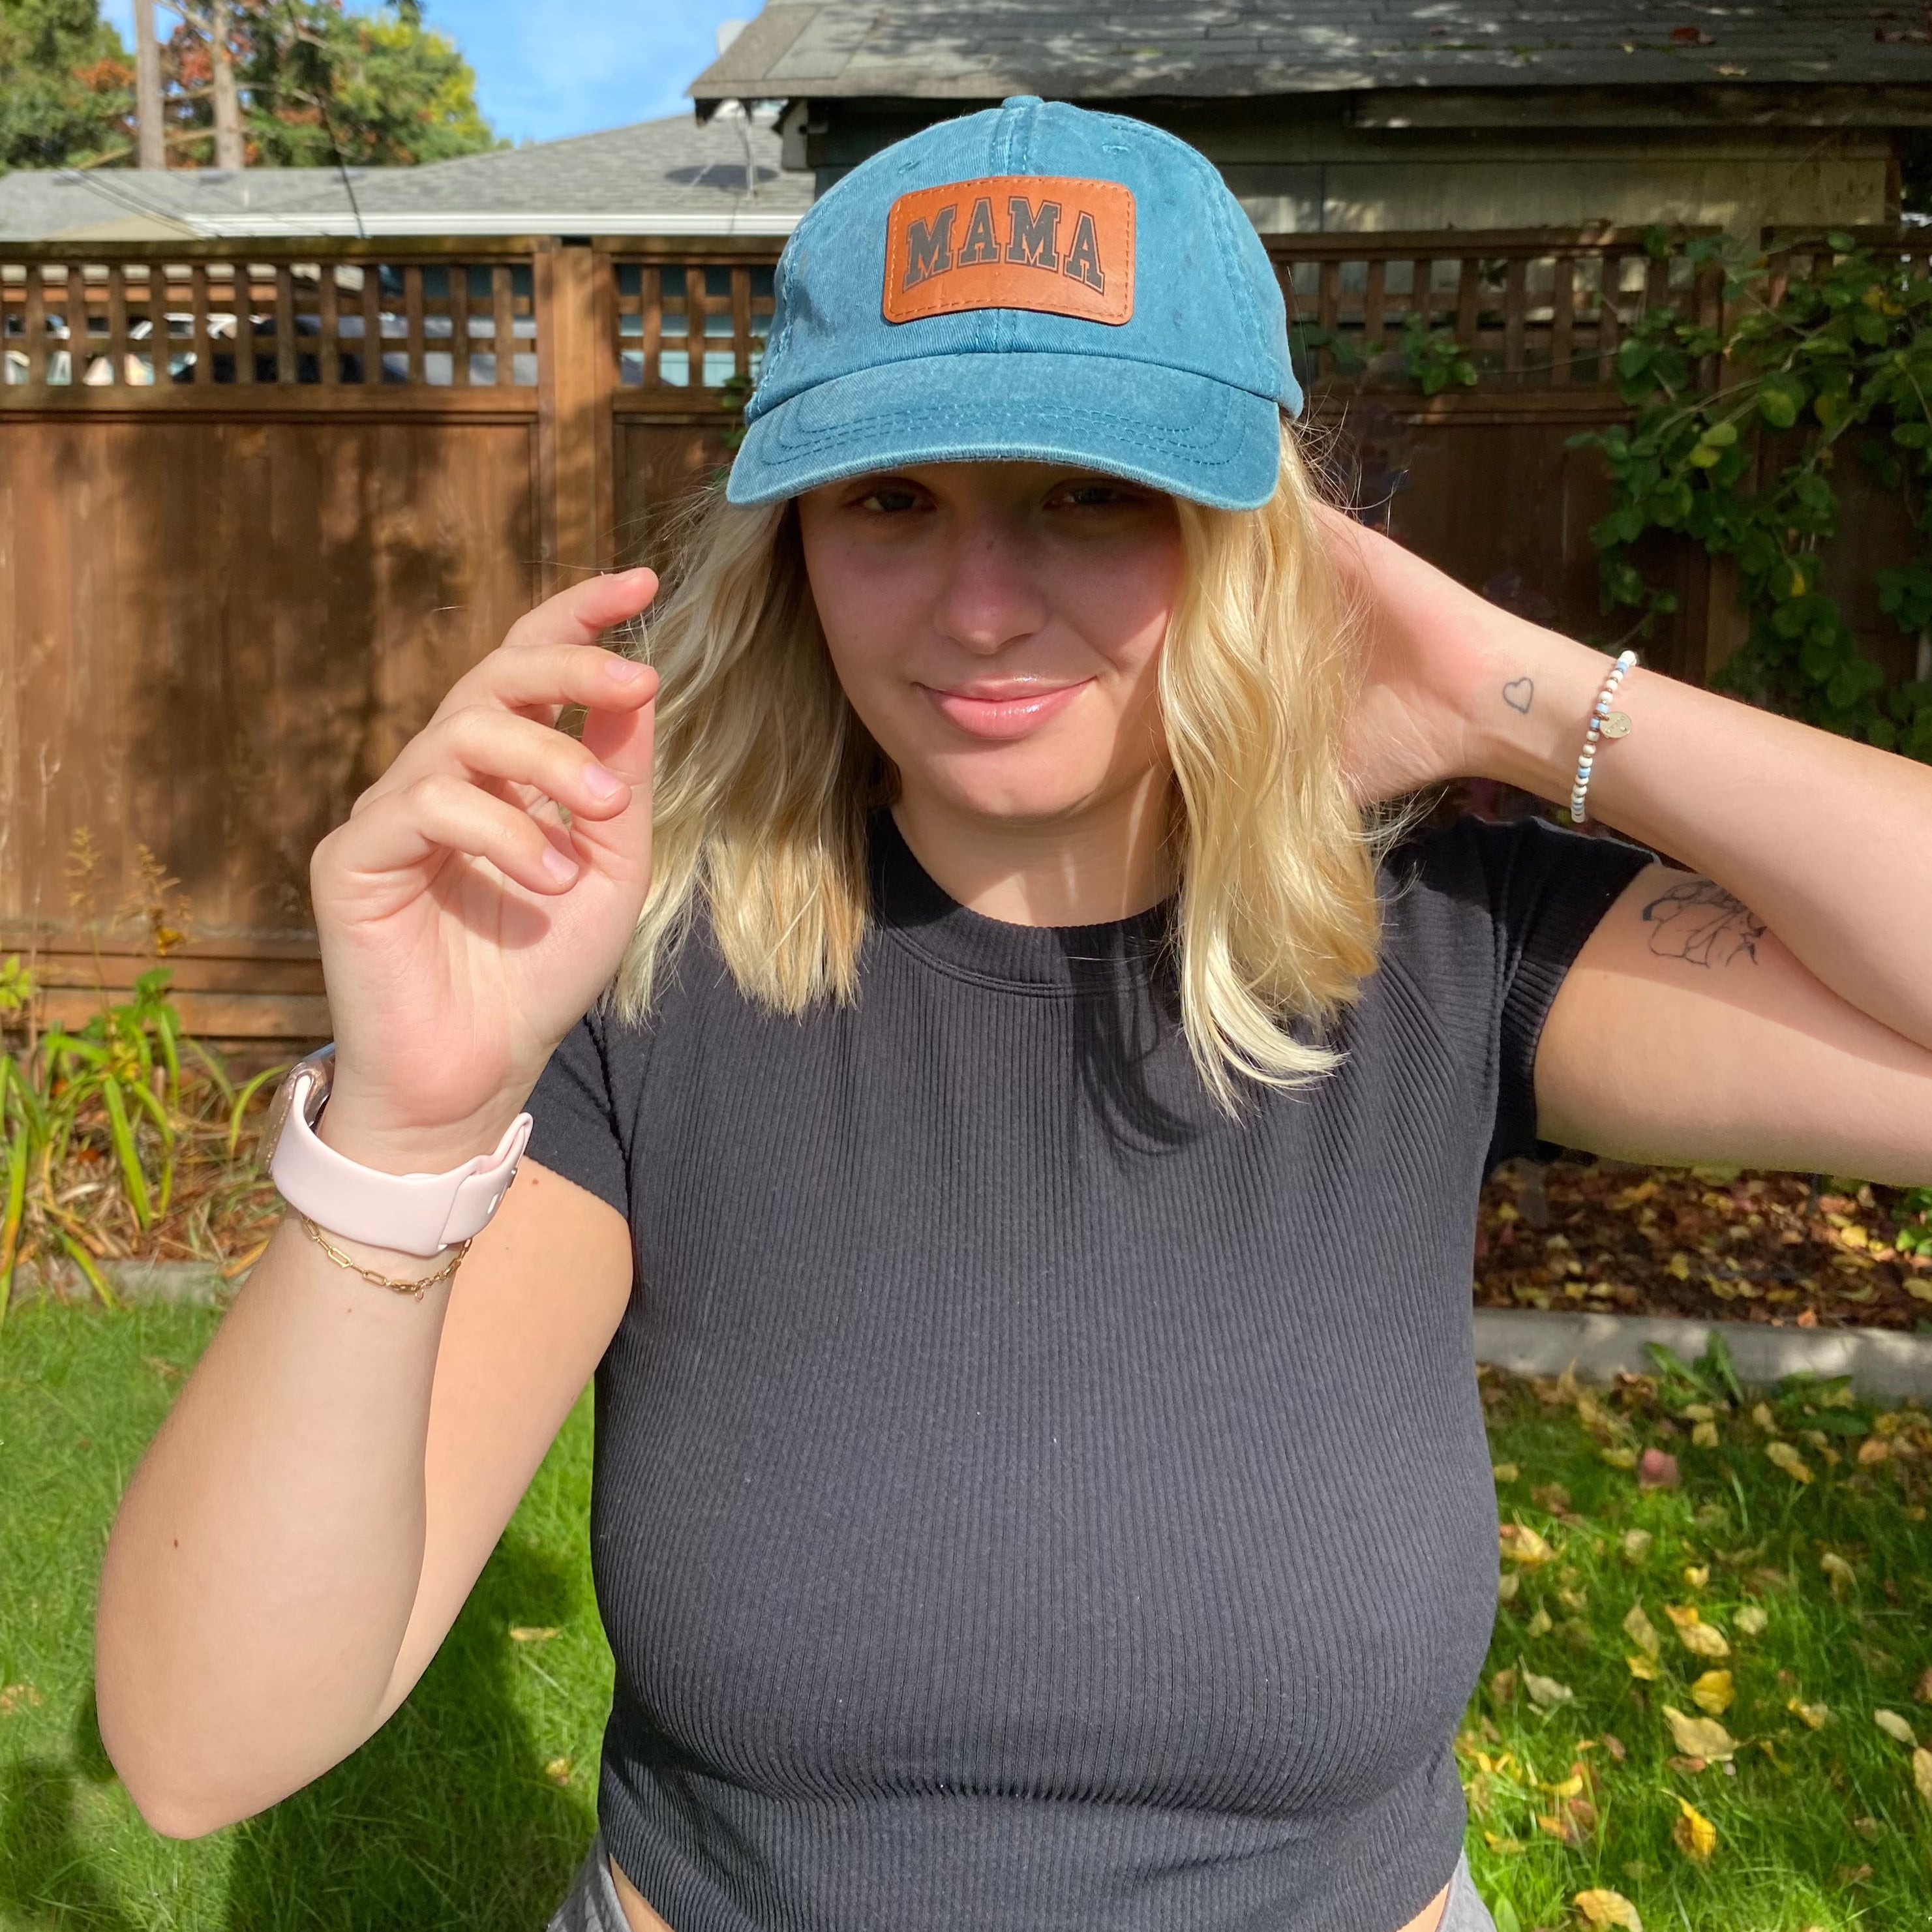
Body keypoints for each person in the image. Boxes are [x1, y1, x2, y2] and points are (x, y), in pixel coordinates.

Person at [95, 97, 1932, 1932]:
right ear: (793, 546)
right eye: (891, 501)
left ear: (1247, 535)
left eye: (1091, 495)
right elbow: (198, 1747)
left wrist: (1510, 690)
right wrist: (404, 1136)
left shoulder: (1438, 943)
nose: (980, 611)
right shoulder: (634, 990)